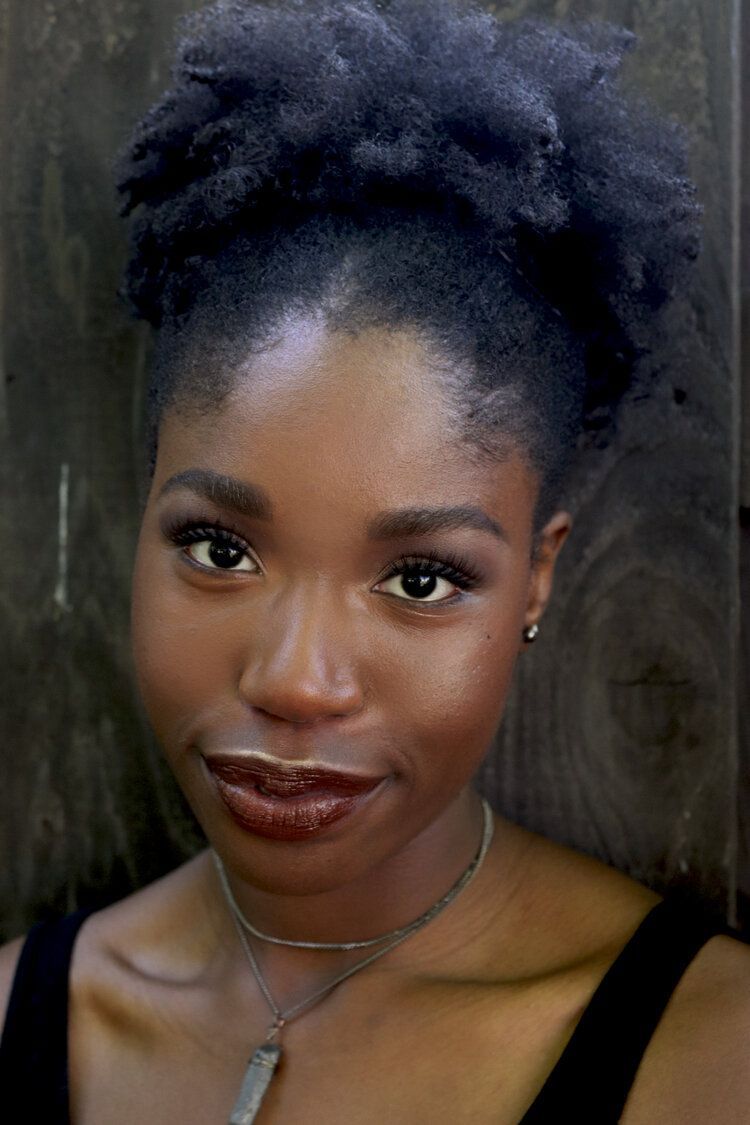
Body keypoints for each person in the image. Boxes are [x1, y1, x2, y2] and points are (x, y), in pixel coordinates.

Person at [1, 0, 749, 1121]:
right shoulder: (17, 1016)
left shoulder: (712, 1059)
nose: (297, 681)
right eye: (218, 548)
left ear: (537, 578)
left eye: (420, 579)